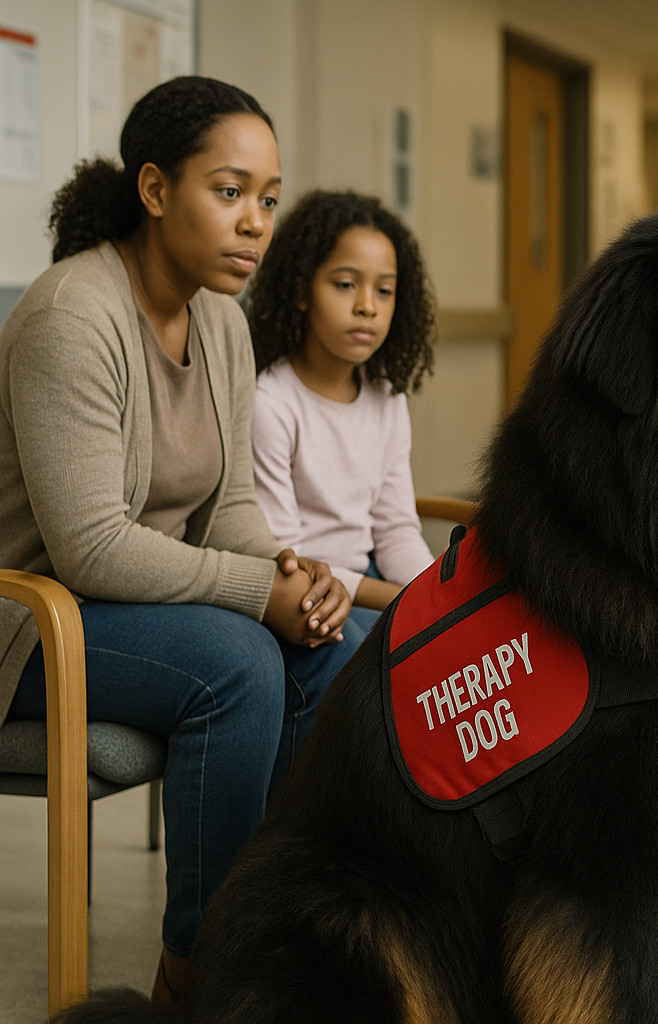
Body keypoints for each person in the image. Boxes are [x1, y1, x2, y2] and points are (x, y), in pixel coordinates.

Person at [0, 76, 361, 1005]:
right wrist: (254, 596)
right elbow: (87, 548)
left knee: (336, 644)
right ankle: (203, 974)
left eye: (269, 201)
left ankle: (281, 939)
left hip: (130, 608)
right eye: (230, 191)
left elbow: (228, 505)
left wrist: (289, 568)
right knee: (238, 659)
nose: (255, 224)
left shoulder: (221, 323)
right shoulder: (70, 315)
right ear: (155, 190)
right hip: (33, 622)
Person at [245, 190, 438, 636]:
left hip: (366, 579)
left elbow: (396, 529)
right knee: (370, 654)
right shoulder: (271, 402)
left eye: (384, 290)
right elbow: (285, 555)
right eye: (346, 284)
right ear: (301, 292)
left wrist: (435, 597)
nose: (367, 305)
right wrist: (400, 601)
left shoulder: (386, 397)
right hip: (304, 593)